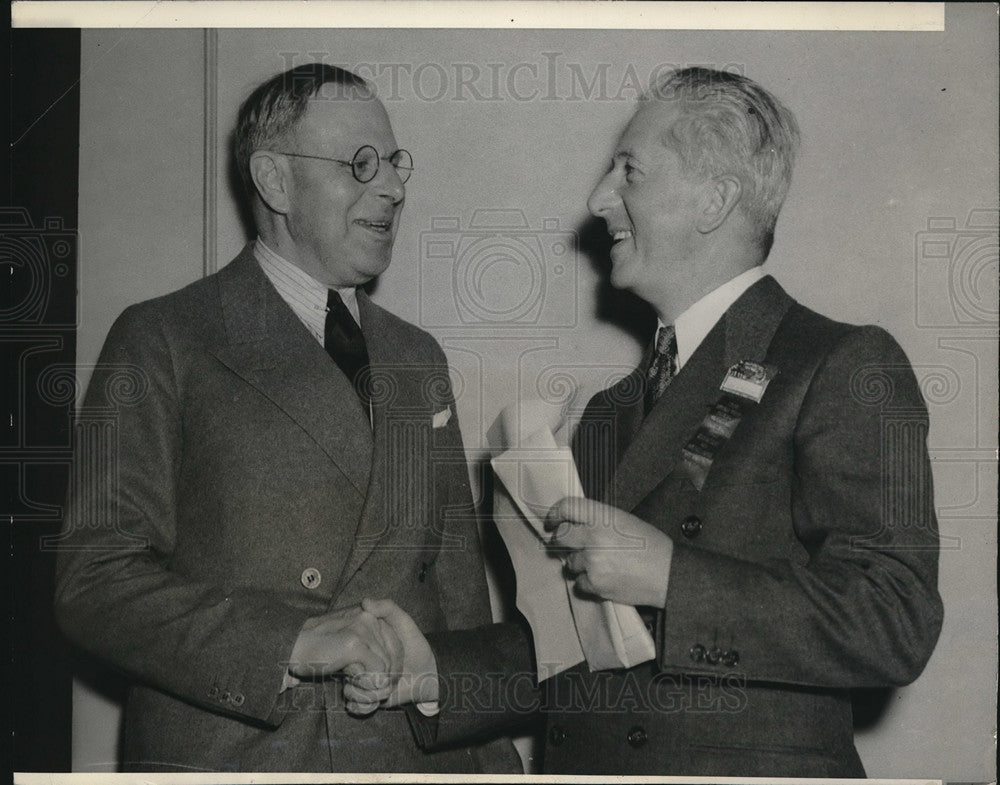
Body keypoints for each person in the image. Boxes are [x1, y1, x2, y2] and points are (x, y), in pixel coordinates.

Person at [365, 67, 944, 777]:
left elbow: (895, 620)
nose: (598, 198)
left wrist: (674, 577)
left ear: (715, 198)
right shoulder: (610, 409)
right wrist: (435, 672)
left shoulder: (840, 363)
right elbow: (587, 641)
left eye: (629, 171)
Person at [53, 63, 520, 774]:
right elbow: (96, 582)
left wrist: (491, 757)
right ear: (273, 181)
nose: (393, 187)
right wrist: (289, 642)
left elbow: (459, 599)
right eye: (361, 164)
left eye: (395, 164)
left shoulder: (416, 356)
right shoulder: (165, 337)